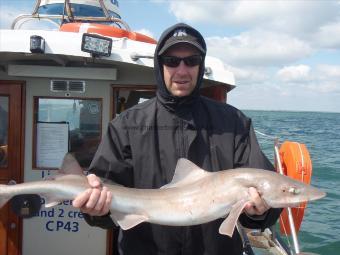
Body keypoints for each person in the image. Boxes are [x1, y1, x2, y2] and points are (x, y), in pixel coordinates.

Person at [73, 23, 281, 255]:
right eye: (172, 61)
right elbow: (105, 193)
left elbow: (264, 198)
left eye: (191, 60)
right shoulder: (127, 125)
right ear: (159, 65)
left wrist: (261, 212)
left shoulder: (234, 123)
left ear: (201, 65)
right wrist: (96, 211)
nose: (182, 70)